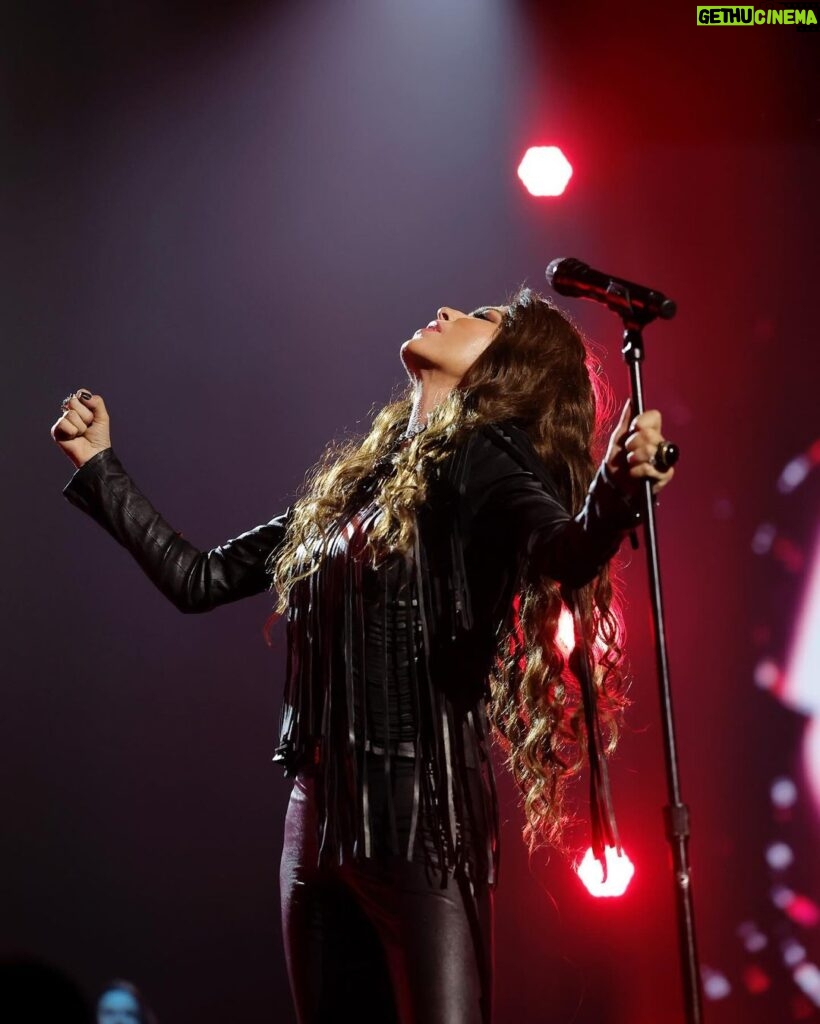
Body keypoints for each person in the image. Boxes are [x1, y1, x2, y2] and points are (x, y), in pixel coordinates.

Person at [52, 287, 677, 1024]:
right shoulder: (362, 484)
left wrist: (614, 488)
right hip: (314, 824)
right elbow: (202, 578)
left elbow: (565, 550)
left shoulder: (487, 462)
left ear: (509, 368)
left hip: (420, 820)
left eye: (483, 319)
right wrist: (99, 465)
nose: (449, 310)